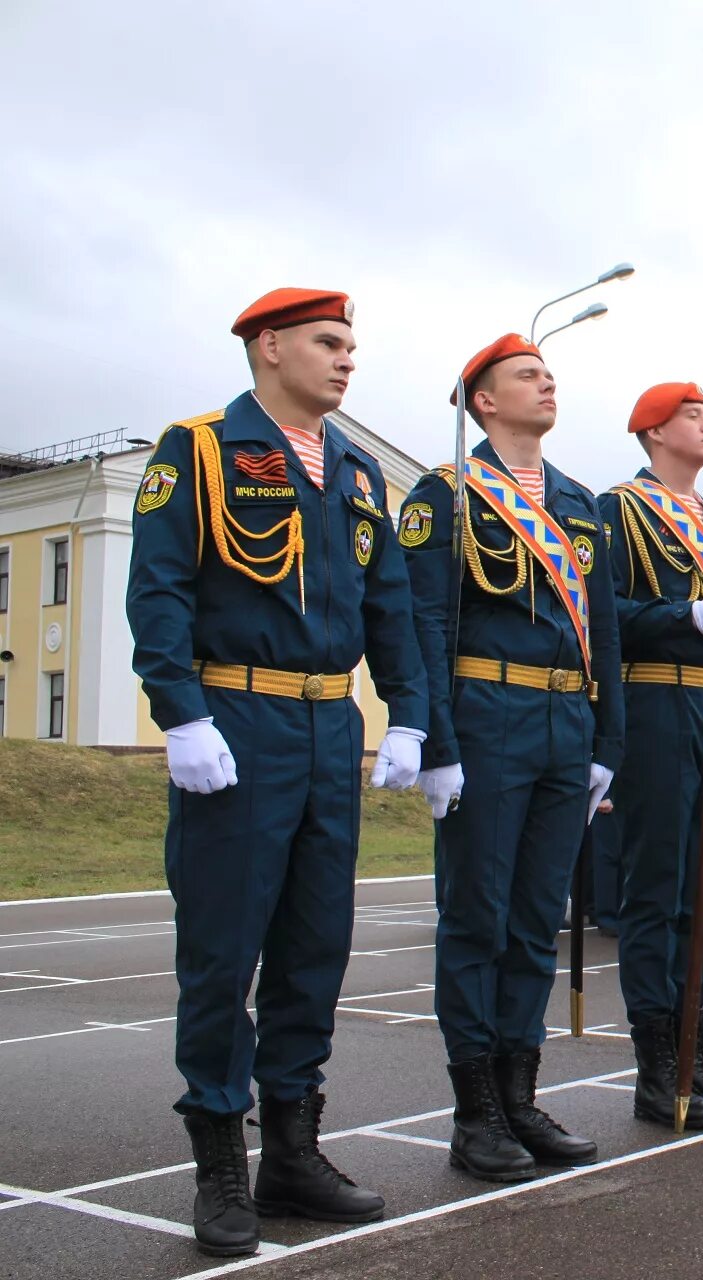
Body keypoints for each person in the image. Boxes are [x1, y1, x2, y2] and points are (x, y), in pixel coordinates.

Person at [127, 289, 428, 1256]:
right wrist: (181, 715)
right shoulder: (202, 448)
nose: (347, 361)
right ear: (269, 347)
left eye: (353, 347)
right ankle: (220, 1161)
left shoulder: (354, 469)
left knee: (314, 949)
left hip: (328, 726)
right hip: (237, 720)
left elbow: (392, 608)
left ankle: (293, 1153)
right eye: (328, 343)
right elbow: (160, 590)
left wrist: (411, 715)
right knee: (224, 952)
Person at [402, 333, 623, 1180]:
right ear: (483, 401)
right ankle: (475, 1111)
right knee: (477, 918)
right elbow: (424, 619)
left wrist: (608, 739)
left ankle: (520, 1093)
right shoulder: (447, 495)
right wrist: (436, 739)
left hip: (566, 719)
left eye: (549, 373)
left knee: (537, 920)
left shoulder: (576, 502)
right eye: (527, 375)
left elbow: (599, 625)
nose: (547, 383)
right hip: (486, 713)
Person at [597, 382, 703, 1130]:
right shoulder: (620, 510)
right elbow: (606, 620)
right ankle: (656, 1067)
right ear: (654, 431)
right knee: (658, 892)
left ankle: (693, 1054)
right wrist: (686, 614)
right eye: (693, 415)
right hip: (658, 704)